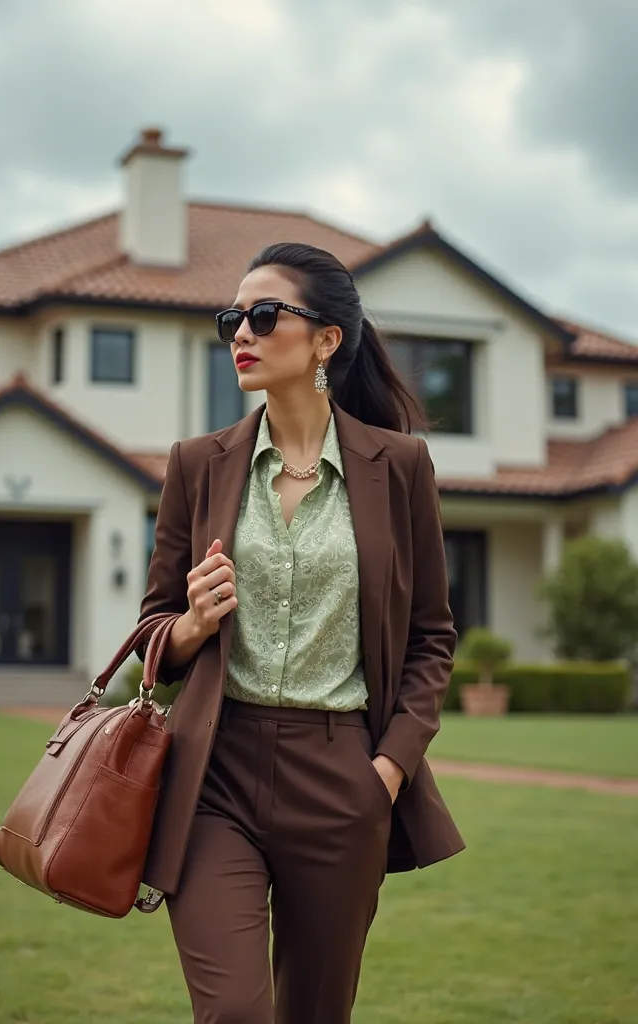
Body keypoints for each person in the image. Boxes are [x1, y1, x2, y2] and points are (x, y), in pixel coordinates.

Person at [137, 242, 465, 1024]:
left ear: (326, 340)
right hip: (214, 770)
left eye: (262, 315)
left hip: (342, 775)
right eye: (231, 319)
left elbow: (431, 636)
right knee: (237, 1014)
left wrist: (385, 770)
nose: (239, 334)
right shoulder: (196, 465)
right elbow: (154, 634)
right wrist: (192, 623)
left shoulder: (403, 467)